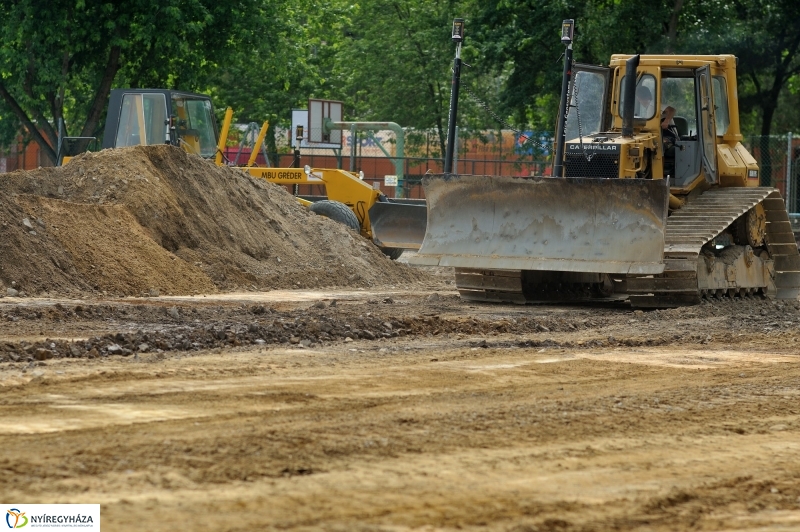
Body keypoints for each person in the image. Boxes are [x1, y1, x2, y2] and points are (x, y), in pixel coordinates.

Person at [661, 105, 680, 177]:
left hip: (669, 136)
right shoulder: (640, 110)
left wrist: (666, 121)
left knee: (659, 145)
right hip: (654, 136)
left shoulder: (656, 104)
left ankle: (660, 173)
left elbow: (672, 110)